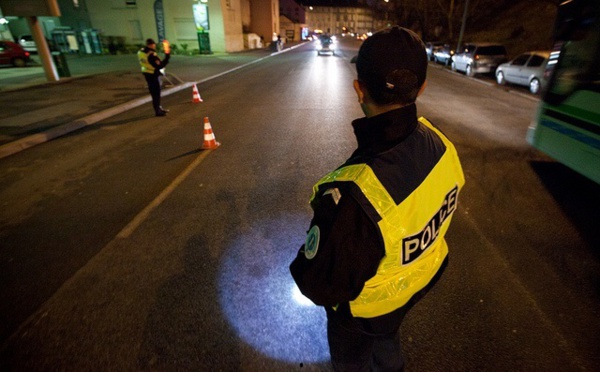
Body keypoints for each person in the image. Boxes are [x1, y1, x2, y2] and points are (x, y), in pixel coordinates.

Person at [290, 26, 465, 371]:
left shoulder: (354, 197)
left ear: (359, 89)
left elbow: (320, 284)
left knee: (354, 359)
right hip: (410, 290)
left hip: (362, 316)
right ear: (422, 88)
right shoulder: (441, 144)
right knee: (387, 347)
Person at [138, 38, 171, 117]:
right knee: (156, 93)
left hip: (146, 73)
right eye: (154, 44)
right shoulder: (151, 54)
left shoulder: (141, 52)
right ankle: (157, 111)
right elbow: (160, 65)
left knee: (154, 93)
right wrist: (167, 56)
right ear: (151, 45)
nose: (154, 46)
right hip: (153, 74)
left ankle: (159, 108)